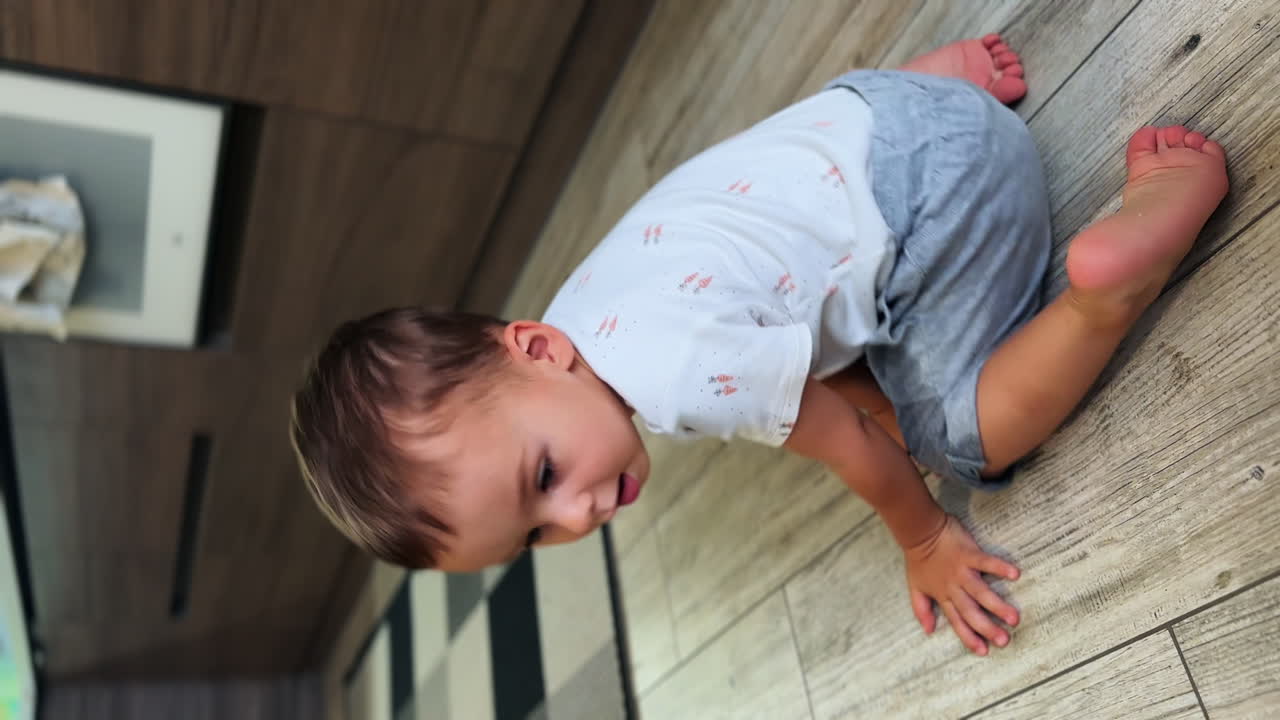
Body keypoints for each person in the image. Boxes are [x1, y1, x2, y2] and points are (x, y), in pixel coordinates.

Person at [290, 35, 1229, 656]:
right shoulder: (581, 313)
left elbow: (857, 447)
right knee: (814, 322)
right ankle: (947, 82)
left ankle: (1111, 287)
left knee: (953, 439)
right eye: (537, 536)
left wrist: (927, 536)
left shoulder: (683, 376)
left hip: (956, 196)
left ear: (535, 353)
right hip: (883, 114)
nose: (577, 516)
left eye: (542, 479)